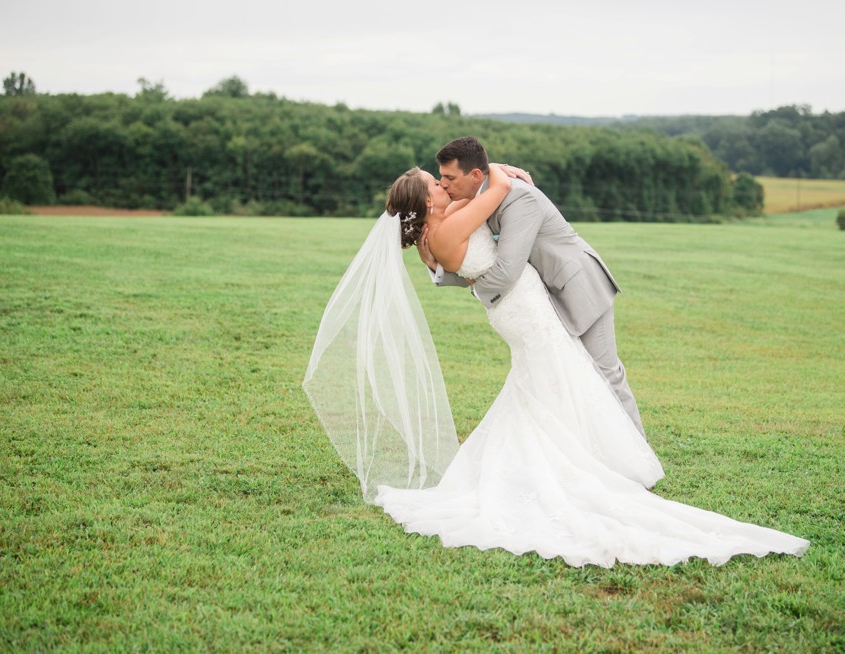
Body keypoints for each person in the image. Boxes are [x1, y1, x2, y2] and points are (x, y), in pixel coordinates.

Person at [304, 160, 810, 568]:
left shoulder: (428, 240)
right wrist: (499, 171)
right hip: (524, 311)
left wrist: (485, 181)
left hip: (515, 311)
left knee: (543, 387)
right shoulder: (454, 221)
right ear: (426, 201)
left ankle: (590, 455)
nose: (441, 184)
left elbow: (467, 250)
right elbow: (497, 188)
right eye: (433, 183)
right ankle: (601, 462)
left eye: (442, 178)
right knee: (564, 379)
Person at [418, 136, 645, 435]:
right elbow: (482, 259)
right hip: (545, 295)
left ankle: (639, 462)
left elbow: (507, 270)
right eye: (441, 178)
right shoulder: (481, 196)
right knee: (568, 378)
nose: (444, 184)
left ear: (474, 175)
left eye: (449, 177)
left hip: (578, 287)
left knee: (606, 373)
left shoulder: (518, 198)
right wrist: (440, 270)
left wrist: (477, 289)